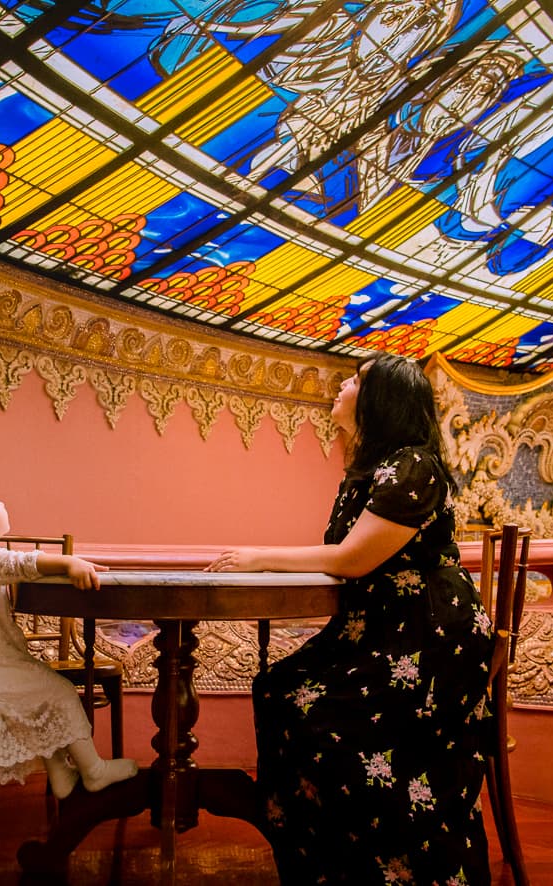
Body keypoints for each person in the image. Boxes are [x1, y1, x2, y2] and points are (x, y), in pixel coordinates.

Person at [207, 354, 494, 884]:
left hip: (427, 637)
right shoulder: (368, 471)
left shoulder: (414, 466)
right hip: (382, 629)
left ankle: (384, 864)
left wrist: (259, 556)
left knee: (311, 712)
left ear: (381, 399)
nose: (342, 384)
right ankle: (333, 862)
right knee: (277, 690)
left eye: (356, 379)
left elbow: (352, 559)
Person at [0, 476, 138, 798]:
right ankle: (94, 770)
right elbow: (22, 562)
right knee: (60, 692)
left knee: (39, 694)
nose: (4, 504)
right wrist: (68, 561)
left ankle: (61, 772)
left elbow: (13, 564)